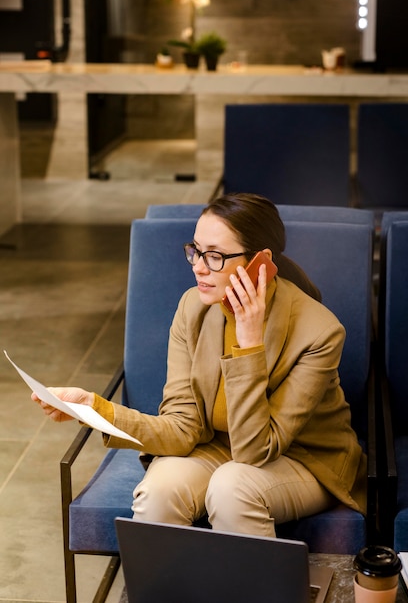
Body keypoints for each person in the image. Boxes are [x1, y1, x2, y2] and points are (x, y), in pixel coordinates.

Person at [32, 193, 366, 538]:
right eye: (195, 250)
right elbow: (182, 428)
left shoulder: (320, 332)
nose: (198, 267)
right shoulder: (193, 308)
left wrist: (248, 343)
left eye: (215, 256)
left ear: (261, 263)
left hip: (303, 459)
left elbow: (255, 450)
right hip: (215, 447)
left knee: (232, 488)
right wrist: (94, 409)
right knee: (159, 491)